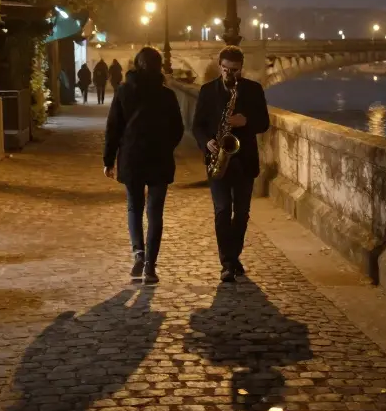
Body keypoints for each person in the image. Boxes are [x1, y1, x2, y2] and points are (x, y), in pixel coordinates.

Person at [103, 47, 184, 285]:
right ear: (159, 67)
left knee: (134, 208)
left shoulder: (124, 91)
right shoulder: (166, 95)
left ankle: (138, 252)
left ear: (136, 65)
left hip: (132, 158)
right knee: (155, 212)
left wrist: (108, 160)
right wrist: (166, 146)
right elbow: (178, 129)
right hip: (159, 159)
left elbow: (113, 128)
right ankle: (150, 267)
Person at [191, 46, 270, 282]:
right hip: (218, 160)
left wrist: (246, 121)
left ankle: (233, 256)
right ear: (219, 65)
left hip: (244, 160)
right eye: (225, 69)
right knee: (223, 210)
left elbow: (264, 123)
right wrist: (207, 142)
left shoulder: (253, 90)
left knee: (242, 213)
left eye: (234, 70)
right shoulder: (207, 91)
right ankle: (227, 262)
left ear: (241, 69)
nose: (229, 74)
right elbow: (197, 125)